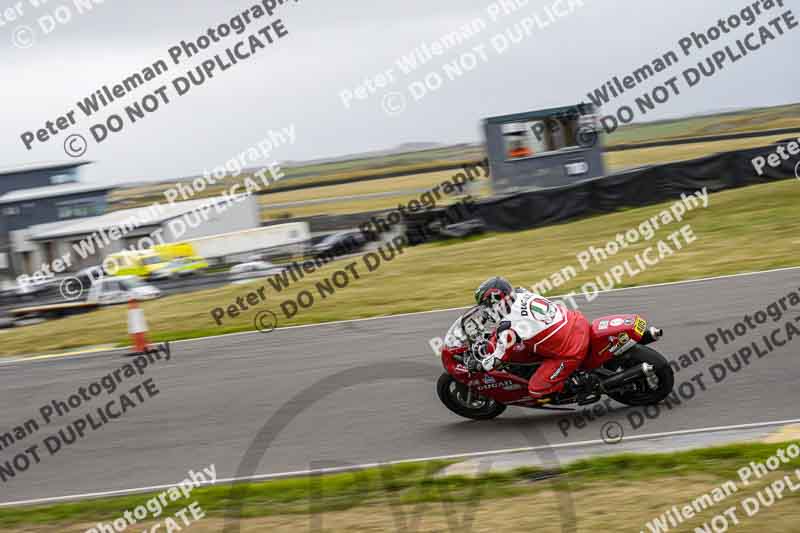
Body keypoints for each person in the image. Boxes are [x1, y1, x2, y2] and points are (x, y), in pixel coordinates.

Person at [472, 277, 592, 402]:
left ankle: (577, 385)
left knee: (536, 389)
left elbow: (498, 358)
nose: (486, 310)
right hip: (575, 321)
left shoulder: (509, 324)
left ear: (496, 302)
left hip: (570, 349)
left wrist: (480, 366)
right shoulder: (520, 293)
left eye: (486, 305)